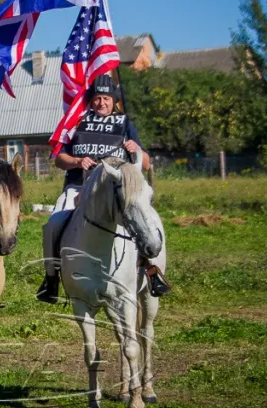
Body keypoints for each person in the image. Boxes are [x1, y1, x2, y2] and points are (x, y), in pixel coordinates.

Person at [36, 74, 170, 303]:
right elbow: (59, 159)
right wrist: (78, 161)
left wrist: (136, 149)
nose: (102, 103)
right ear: (91, 100)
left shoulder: (126, 124)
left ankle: (150, 269)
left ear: (114, 100)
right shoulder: (77, 123)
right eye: (97, 98)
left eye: (106, 98)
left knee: (140, 220)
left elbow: (146, 164)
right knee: (53, 224)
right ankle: (52, 279)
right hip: (78, 187)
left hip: (119, 189)